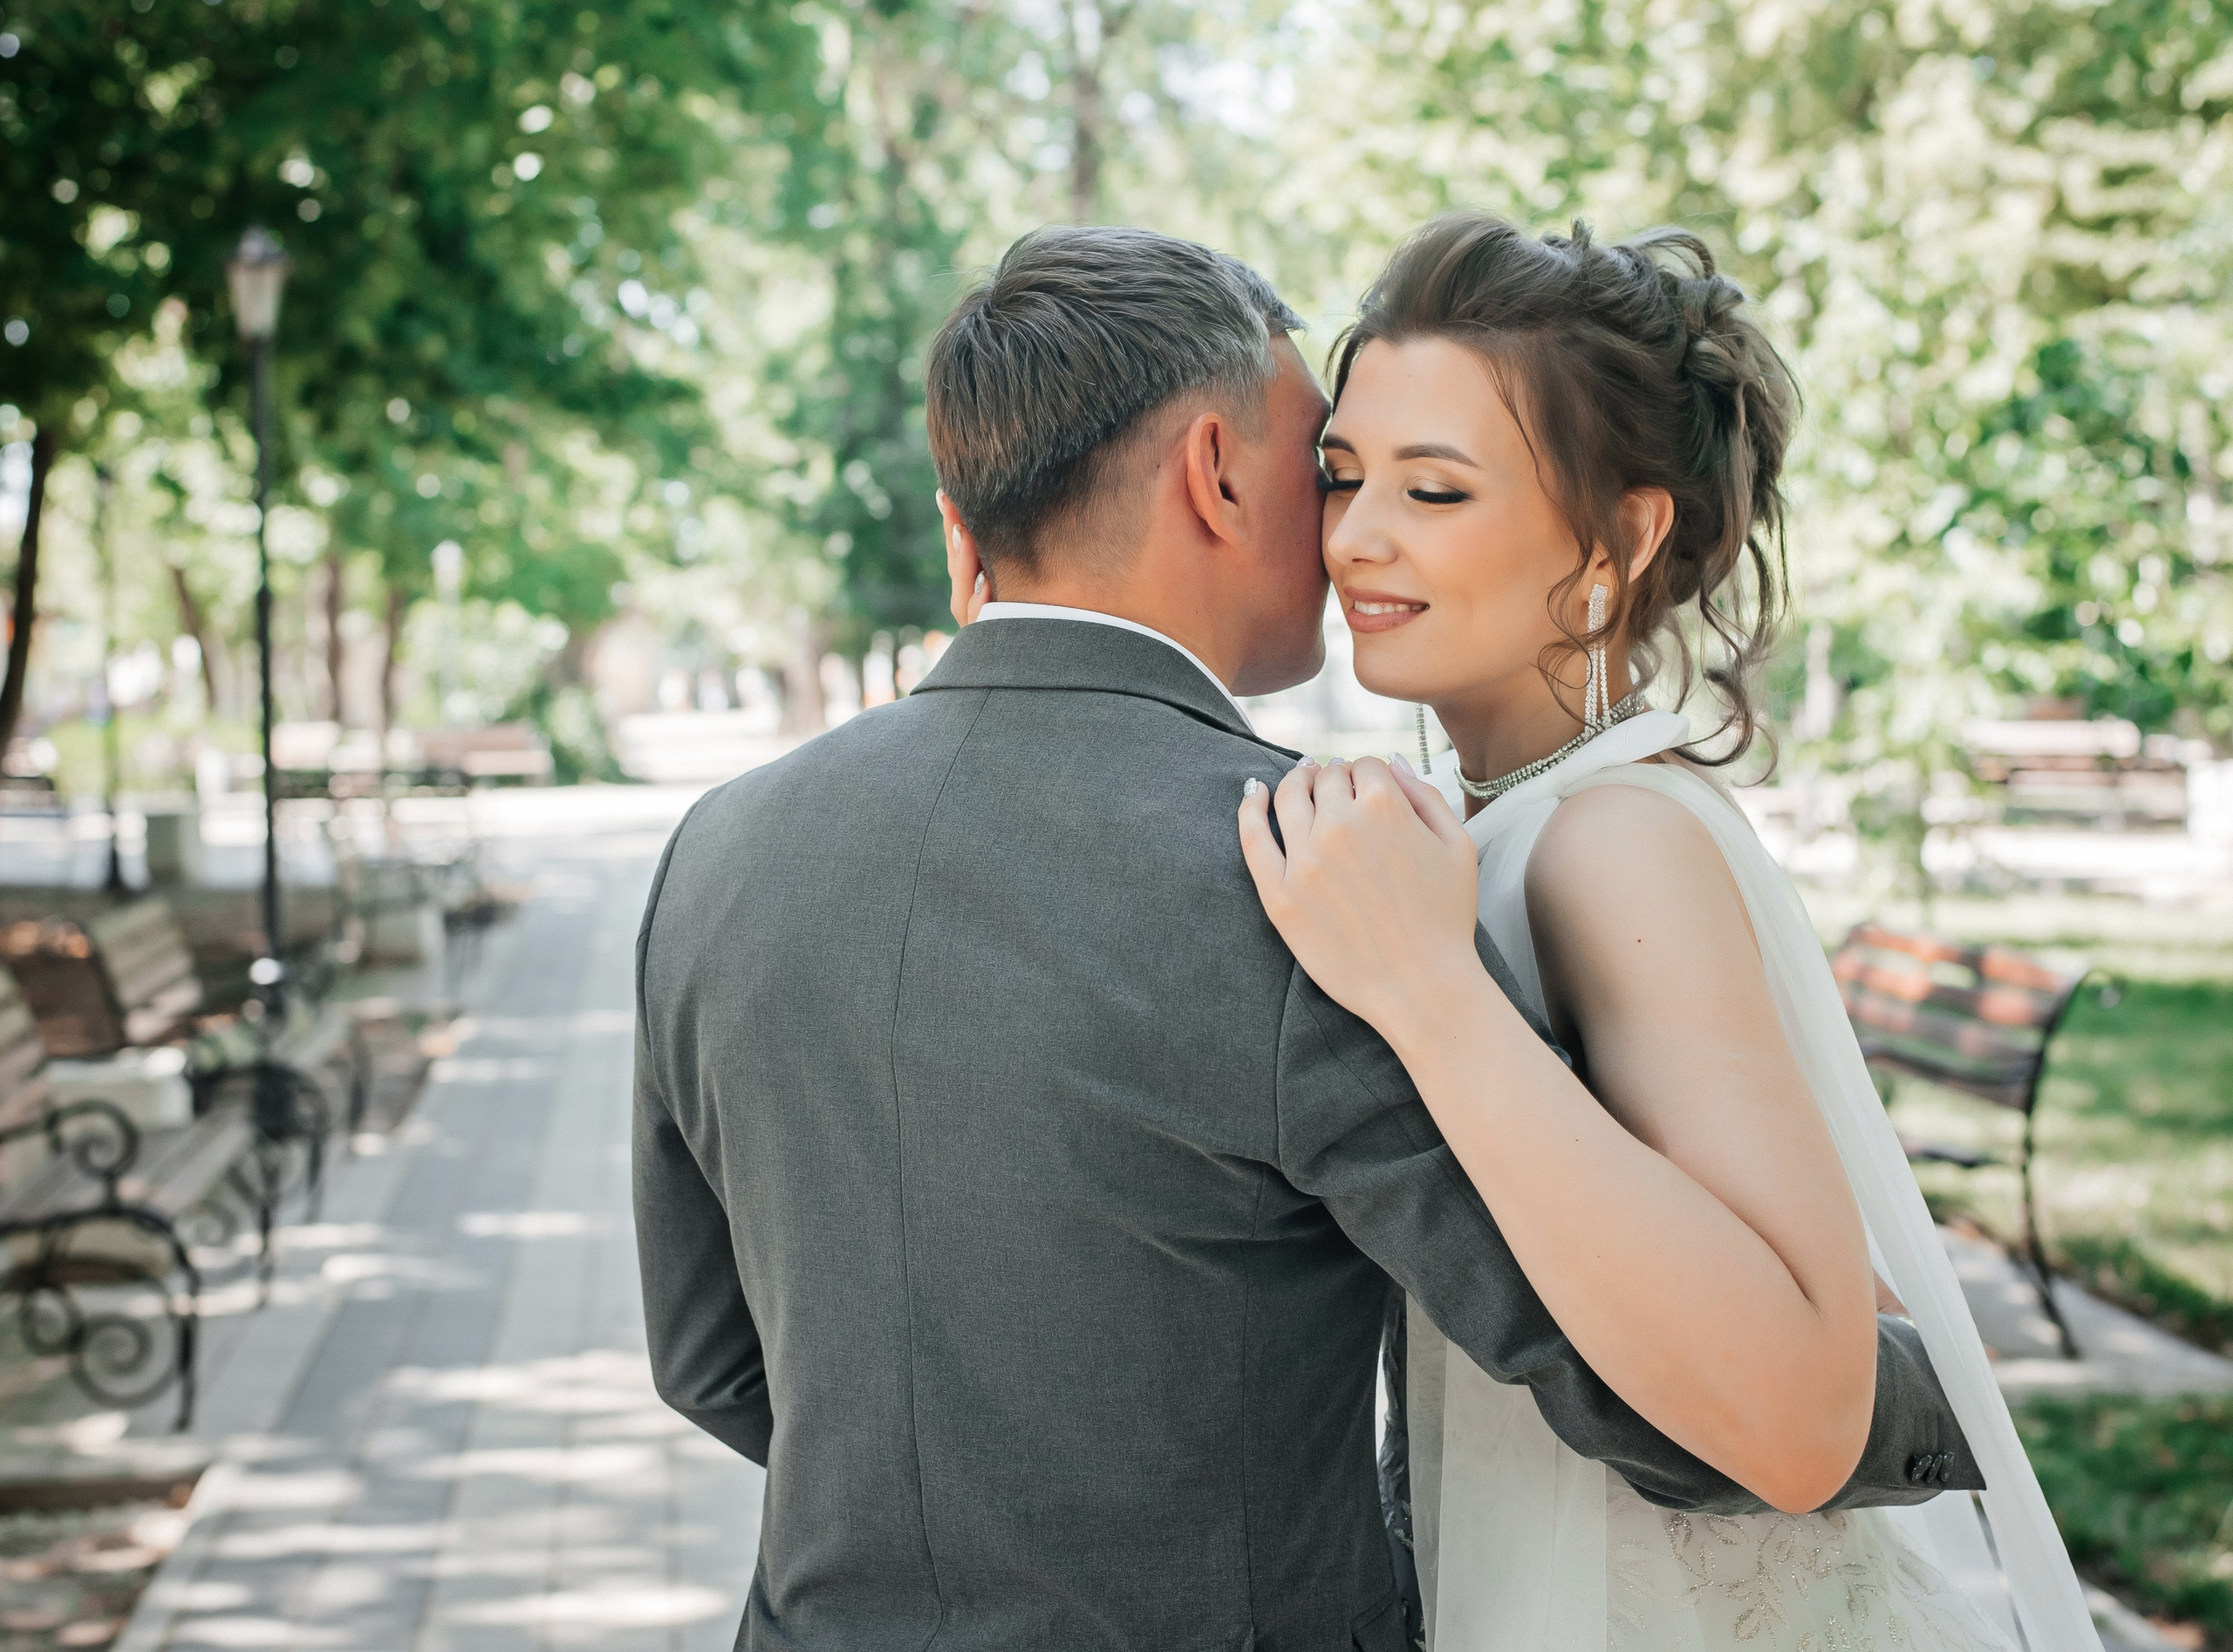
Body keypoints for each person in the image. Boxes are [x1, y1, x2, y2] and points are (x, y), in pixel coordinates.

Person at [633, 223, 1980, 1652]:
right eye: (1323, 468)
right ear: (1217, 475)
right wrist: (1934, 1402)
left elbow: (713, 1363)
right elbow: (1652, 1401)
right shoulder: (1308, 869)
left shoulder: (716, 847)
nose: (1346, 532)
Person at [1238, 213, 2100, 1652]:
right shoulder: (1514, 824)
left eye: (1435, 491)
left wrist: (1426, 991)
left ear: (1621, 538)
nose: (1356, 536)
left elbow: (1802, 1416)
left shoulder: (1617, 840)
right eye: (1343, 476)